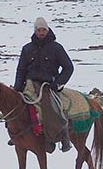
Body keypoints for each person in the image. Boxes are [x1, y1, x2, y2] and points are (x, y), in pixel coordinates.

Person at [13, 17, 74, 153]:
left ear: (47, 30)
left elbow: (68, 67)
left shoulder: (56, 48)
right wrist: (17, 87)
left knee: (51, 109)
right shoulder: (27, 48)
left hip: (47, 85)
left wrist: (58, 83)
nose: (41, 33)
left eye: (43, 30)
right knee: (15, 106)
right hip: (29, 84)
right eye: (39, 30)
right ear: (35, 31)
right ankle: (17, 135)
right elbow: (21, 69)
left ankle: (59, 137)